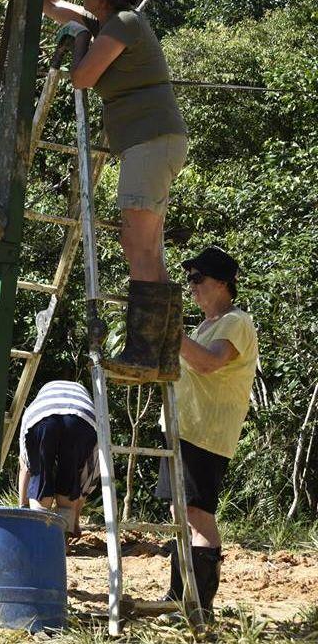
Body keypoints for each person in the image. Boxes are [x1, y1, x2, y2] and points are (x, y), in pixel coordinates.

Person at [42, 0, 188, 384]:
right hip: (153, 144)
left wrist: (78, 39)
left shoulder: (122, 25)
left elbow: (83, 77)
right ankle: (163, 358)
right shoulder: (110, 24)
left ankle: (143, 354)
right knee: (149, 251)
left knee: (136, 246)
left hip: (149, 144)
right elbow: (54, 6)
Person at [155, 245, 258, 618]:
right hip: (187, 430)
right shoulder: (206, 326)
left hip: (205, 434)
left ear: (223, 283)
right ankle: (179, 596)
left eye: (198, 279)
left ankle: (197, 605)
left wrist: (172, 330)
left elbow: (210, 363)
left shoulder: (235, 322)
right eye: (190, 279)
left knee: (197, 513)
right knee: (180, 510)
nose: (192, 286)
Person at [18, 378, 100, 535]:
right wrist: (75, 523)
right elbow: (85, 484)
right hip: (82, 419)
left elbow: (25, 468)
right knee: (70, 483)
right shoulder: (83, 398)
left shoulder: (38, 403)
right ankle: (62, 542)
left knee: (40, 480)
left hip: (40, 417)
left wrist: (22, 509)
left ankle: (39, 537)